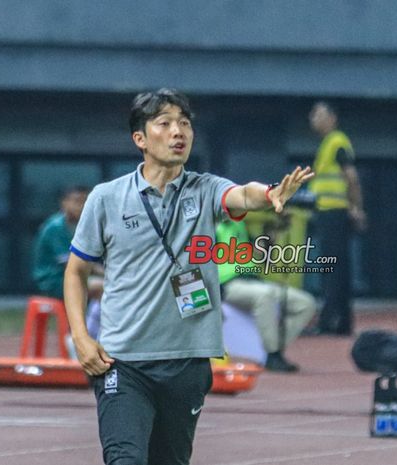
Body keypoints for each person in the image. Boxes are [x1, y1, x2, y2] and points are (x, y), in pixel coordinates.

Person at [64, 88, 313, 465]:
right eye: (164, 123)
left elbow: (242, 195)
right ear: (141, 139)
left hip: (186, 362)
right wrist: (82, 338)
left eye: (184, 123)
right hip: (123, 361)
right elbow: (76, 270)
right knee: (124, 459)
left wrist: (270, 193)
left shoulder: (205, 188)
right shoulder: (106, 198)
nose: (178, 131)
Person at [216, 220, 317, 372]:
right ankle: (272, 353)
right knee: (265, 295)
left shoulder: (240, 223)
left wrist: (268, 242)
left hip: (253, 280)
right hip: (227, 285)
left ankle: (273, 352)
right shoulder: (209, 225)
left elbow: (261, 258)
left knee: (306, 303)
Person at [305, 101, 366, 336]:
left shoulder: (337, 142)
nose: (313, 119)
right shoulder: (327, 144)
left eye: (318, 114)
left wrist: (356, 208)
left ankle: (333, 320)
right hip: (329, 212)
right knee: (336, 268)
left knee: (333, 268)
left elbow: (351, 177)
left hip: (334, 212)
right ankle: (339, 321)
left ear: (332, 117)